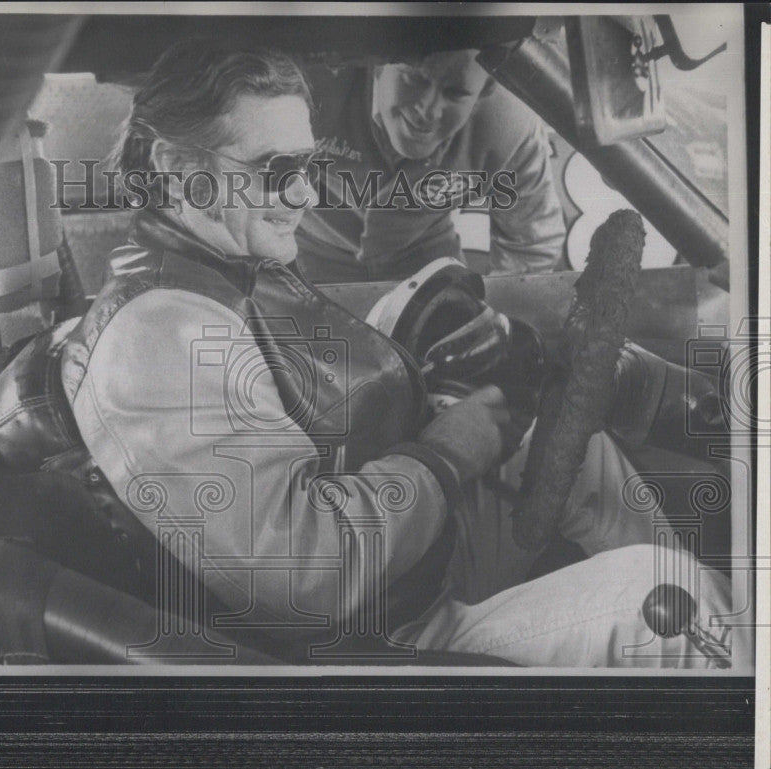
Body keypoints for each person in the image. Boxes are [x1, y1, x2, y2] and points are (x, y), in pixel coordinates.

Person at [56, 41, 740, 668]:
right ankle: (723, 659)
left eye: (311, 166)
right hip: (375, 644)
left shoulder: (224, 267)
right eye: (277, 171)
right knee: (663, 606)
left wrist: (408, 360)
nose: (304, 192)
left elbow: (298, 385)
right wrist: (444, 455)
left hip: (402, 569)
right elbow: (306, 575)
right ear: (179, 170)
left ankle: (726, 635)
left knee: (564, 435)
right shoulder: (155, 339)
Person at [295, 49, 566, 283]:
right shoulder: (309, 86)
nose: (428, 111)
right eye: (414, 78)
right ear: (376, 66)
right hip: (313, 253)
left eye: (456, 92)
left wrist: (497, 317)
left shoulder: (511, 125)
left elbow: (532, 246)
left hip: (426, 258)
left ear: (486, 90)